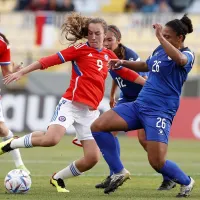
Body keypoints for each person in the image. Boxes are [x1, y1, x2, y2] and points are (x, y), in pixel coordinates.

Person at [0, 13, 145, 193]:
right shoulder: (79, 49)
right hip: (71, 104)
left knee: (92, 158)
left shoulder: (109, 56)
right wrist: (21, 73)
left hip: (90, 113)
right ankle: (10, 144)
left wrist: (149, 85)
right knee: (51, 139)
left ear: (104, 34)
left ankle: (58, 178)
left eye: (97, 33)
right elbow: (48, 61)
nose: (93, 37)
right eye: (90, 33)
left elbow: (128, 74)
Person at [91, 14, 195, 197]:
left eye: (169, 36)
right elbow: (146, 65)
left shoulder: (188, 54)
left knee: (157, 162)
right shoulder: (159, 50)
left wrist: (161, 38)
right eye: (164, 35)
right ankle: (118, 172)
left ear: (180, 38)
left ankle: (186, 182)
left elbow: (180, 60)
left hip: (160, 112)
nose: (165, 39)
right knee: (98, 126)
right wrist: (123, 63)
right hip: (139, 105)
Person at [94, 24, 148, 189]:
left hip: (143, 98)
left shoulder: (130, 56)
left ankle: (168, 176)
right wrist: (112, 95)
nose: (107, 43)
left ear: (119, 40)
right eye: (104, 40)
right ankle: (115, 174)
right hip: (126, 97)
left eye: (110, 40)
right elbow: (117, 76)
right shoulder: (107, 56)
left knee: (145, 140)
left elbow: (141, 79)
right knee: (108, 132)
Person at [0, 33, 30, 174]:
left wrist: (14, 72)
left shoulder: (3, 45)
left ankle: (20, 165)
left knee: (2, 130)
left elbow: (6, 75)